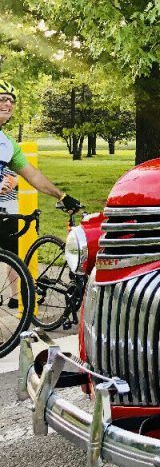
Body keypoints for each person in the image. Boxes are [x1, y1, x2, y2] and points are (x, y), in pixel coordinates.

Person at [0, 80, 81, 308]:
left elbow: (32, 175)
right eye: (2, 98)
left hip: (3, 210)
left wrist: (61, 195)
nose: (8, 104)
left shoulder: (7, 145)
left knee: (13, 255)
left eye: (11, 100)